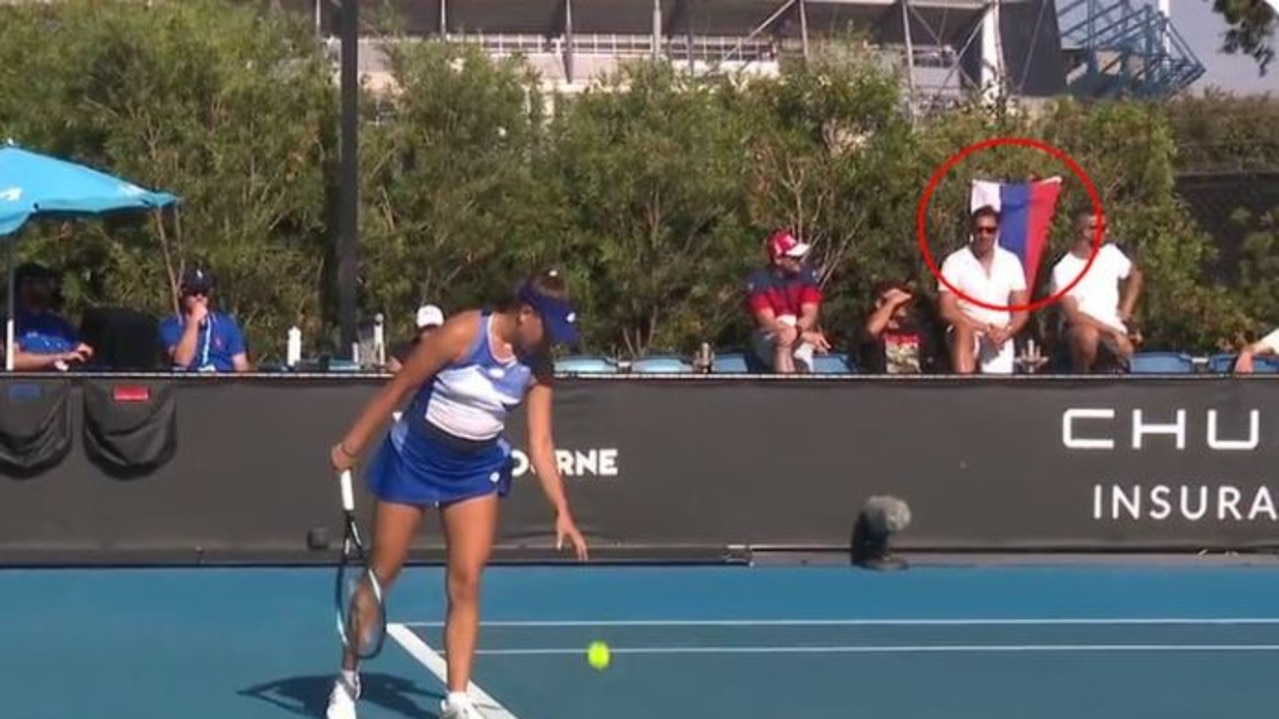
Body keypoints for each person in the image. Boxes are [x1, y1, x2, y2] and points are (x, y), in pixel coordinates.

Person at [325, 268, 590, 719]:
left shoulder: (538, 367)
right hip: (413, 459)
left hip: (475, 470)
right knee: (381, 574)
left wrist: (561, 510)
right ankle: (347, 679)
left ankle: (458, 699)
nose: (554, 342)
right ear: (526, 313)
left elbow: (541, 444)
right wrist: (352, 444)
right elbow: (400, 387)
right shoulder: (462, 333)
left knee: (466, 581)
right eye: (550, 328)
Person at [938, 206, 1030, 374]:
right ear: (972, 231)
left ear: (997, 232)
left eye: (990, 230)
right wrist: (983, 328)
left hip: (1000, 335)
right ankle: (964, 389)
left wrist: (1006, 332)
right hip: (968, 331)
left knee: (997, 389)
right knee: (963, 330)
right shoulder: (954, 262)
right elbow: (947, 309)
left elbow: (1021, 310)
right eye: (979, 230)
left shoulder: (1010, 261)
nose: (984, 235)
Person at [1049, 210, 1142, 372]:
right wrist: (1111, 331)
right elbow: (1073, 315)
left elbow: (1136, 275)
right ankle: (1081, 380)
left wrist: (1126, 310)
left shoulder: (1111, 254)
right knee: (1088, 336)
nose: (1107, 232)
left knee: (1126, 348)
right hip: (1081, 330)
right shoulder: (1064, 269)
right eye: (1102, 228)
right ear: (1086, 231)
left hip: (1114, 330)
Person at [745, 229, 831, 373]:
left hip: (799, 331)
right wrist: (804, 335)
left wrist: (798, 331)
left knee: (796, 351)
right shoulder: (758, 281)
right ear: (778, 259)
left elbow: (809, 314)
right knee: (784, 337)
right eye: (794, 257)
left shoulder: (806, 275)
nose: (800, 260)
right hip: (768, 337)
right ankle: (784, 389)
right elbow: (768, 322)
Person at [2, 262, 94, 371]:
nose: (50, 287)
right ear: (26, 285)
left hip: (69, 383)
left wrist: (83, 353)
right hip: (32, 384)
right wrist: (58, 359)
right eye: (43, 282)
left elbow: (81, 348)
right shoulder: (10, 323)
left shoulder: (59, 322)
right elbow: (13, 361)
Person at [158, 267, 251, 372]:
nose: (199, 297)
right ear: (184, 294)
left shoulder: (227, 325)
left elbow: (241, 366)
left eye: (204, 292)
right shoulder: (171, 326)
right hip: (188, 385)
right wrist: (194, 322)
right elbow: (182, 361)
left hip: (223, 383)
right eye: (194, 292)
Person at [386, 303, 445, 373]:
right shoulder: (402, 353)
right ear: (417, 330)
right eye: (426, 329)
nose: (431, 333)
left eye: (434, 328)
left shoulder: (451, 352)